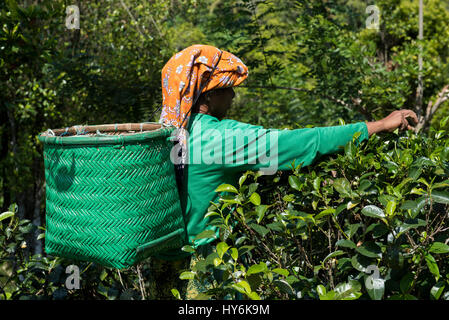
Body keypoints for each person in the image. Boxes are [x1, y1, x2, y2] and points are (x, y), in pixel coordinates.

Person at [154, 45, 417, 298]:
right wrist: (379, 125)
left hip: (162, 263)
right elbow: (302, 143)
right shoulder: (217, 138)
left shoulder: (166, 132)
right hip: (203, 268)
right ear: (208, 94)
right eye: (228, 88)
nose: (233, 96)